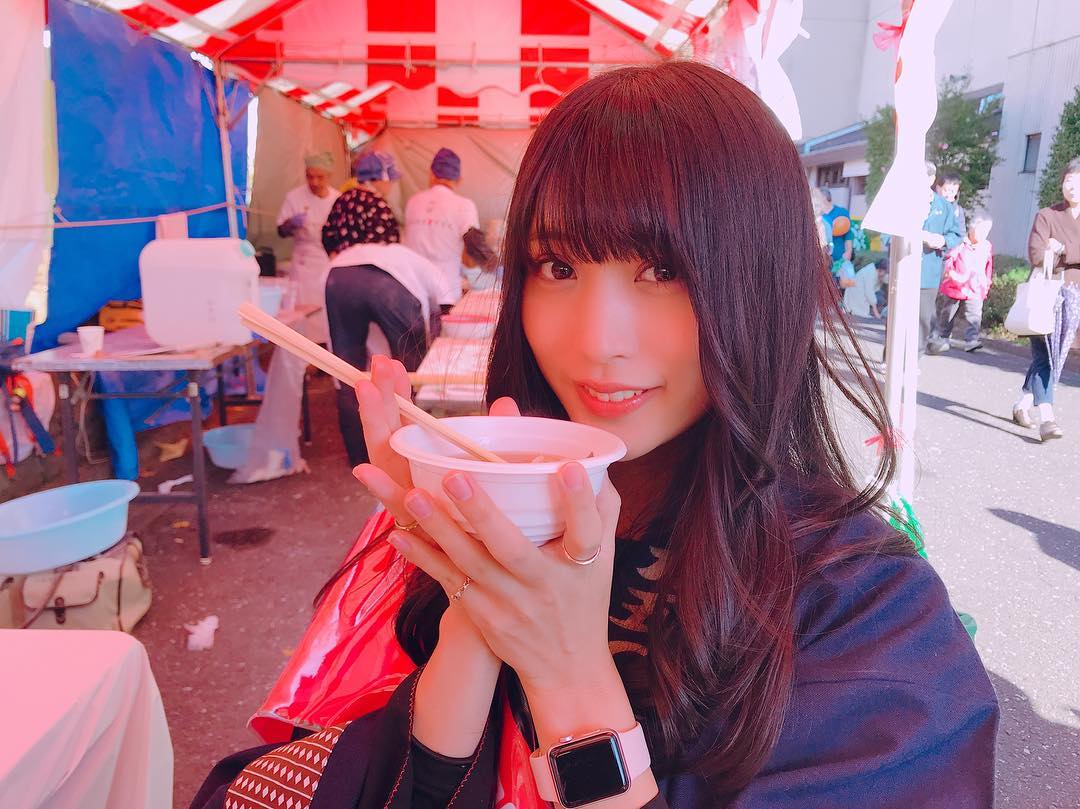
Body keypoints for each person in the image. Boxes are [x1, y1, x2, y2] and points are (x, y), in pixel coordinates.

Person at [194, 62, 997, 809]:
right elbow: (412, 783)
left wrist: (565, 670)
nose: (595, 340)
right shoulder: (494, 508)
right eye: (557, 267)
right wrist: (471, 589)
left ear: (763, 281)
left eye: (661, 271)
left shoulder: (871, 618)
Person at [323, 242, 445, 466]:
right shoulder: (440, 276)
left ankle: (359, 456)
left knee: (346, 370)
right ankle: (411, 449)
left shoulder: (406, 257)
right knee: (410, 372)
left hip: (339, 277)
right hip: (386, 284)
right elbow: (443, 315)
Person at [1012, 155, 1080, 441]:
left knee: (1056, 356)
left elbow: (1058, 251)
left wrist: (1063, 249)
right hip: (1048, 296)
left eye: (1078, 181)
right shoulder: (1047, 215)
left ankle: (1023, 404)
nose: (1072, 186)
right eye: (1068, 180)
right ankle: (1047, 419)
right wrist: (1061, 253)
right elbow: (1037, 254)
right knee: (1046, 356)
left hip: (1075, 300)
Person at [404, 147, 480, 310]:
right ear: (458, 179)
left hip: (411, 290)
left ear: (432, 174)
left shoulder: (413, 202)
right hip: (445, 292)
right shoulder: (464, 206)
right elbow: (474, 250)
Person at [276, 152, 340, 342]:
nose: (314, 182)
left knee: (325, 312)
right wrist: (290, 224)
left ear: (329, 176)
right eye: (309, 176)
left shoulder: (338, 199)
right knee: (301, 315)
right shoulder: (294, 197)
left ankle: (324, 349)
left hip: (327, 260)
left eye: (319, 177)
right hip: (303, 262)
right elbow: (281, 231)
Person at [928, 212, 994, 354]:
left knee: (974, 314)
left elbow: (988, 266)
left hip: (975, 286)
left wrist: (987, 283)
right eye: (981, 231)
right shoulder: (960, 243)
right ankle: (943, 336)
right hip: (955, 284)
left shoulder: (986, 246)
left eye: (986, 231)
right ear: (972, 228)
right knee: (948, 312)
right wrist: (950, 273)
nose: (983, 235)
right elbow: (948, 258)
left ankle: (972, 340)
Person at [920, 161, 965, 353]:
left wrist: (942, 240)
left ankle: (919, 351)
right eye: (947, 189)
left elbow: (957, 235)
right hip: (906, 263)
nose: (950, 193)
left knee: (926, 312)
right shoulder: (903, 199)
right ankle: (890, 356)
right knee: (900, 311)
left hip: (935, 264)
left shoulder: (949, 208)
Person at [322, 150, 401, 258]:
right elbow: (385, 244)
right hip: (369, 266)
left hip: (342, 265)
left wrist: (337, 259)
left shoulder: (343, 199)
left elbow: (327, 234)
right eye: (390, 180)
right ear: (378, 179)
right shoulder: (377, 205)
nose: (391, 184)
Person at [819, 187, 853, 264]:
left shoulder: (842, 212)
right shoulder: (817, 214)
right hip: (821, 260)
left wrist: (849, 251)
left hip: (839, 260)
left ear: (824, 197)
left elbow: (848, 235)